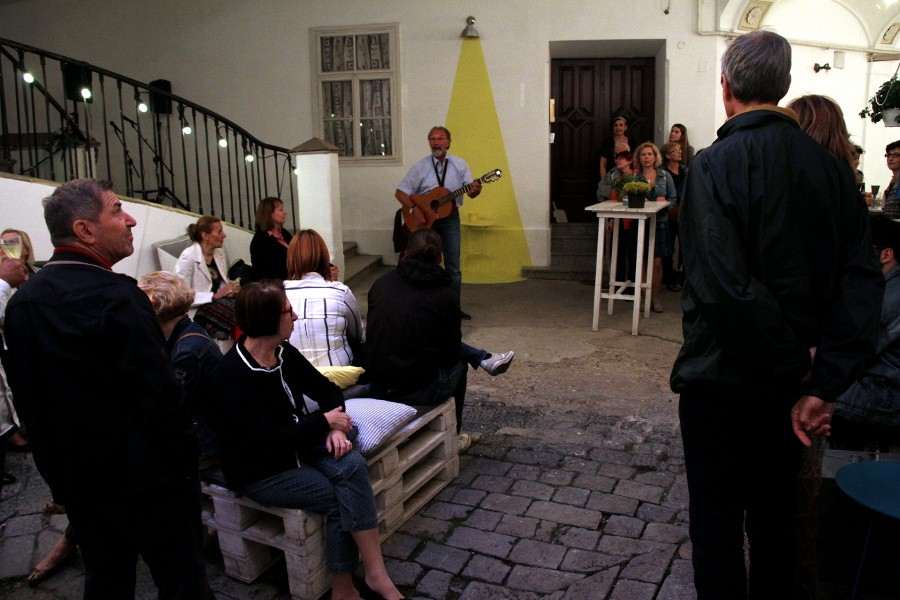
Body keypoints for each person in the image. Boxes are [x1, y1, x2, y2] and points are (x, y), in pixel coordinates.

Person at [670, 31, 883, 600]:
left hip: (722, 381)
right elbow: (861, 285)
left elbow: (721, 287)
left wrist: (804, 366)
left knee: (717, 525)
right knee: (776, 525)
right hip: (791, 389)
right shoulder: (833, 171)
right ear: (783, 85)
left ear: (726, 87)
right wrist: (821, 376)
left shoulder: (713, 166)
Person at [4, 179, 211, 599]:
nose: (131, 219)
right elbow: (161, 401)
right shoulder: (120, 298)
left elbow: (33, 409)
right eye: (117, 210)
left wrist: (63, 486)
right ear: (85, 230)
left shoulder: (25, 303)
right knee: (182, 583)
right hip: (150, 485)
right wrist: (185, 470)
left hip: (84, 486)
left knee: (107, 581)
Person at [205, 280, 402, 600]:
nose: (295, 316)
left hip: (297, 445)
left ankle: (373, 574)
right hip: (262, 470)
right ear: (268, 320)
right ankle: (344, 586)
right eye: (288, 311)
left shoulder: (282, 352)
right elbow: (266, 441)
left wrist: (336, 429)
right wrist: (324, 422)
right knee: (337, 495)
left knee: (351, 463)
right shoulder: (232, 375)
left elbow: (328, 391)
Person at [365, 229, 514, 448]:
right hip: (418, 388)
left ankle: (483, 358)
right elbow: (450, 352)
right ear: (440, 258)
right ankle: (455, 436)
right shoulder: (444, 295)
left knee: (424, 339)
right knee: (459, 364)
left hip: (379, 381)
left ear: (405, 253)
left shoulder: (381, 284)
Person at [395, 126, 481, 319]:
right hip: (426, 222)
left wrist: (476, 189)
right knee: (422, 263)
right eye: (432, 139)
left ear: (448, 143)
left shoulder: (460, 165)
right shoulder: (420, 167)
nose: (436, 143)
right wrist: (415, 208)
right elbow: (400, 193)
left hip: (450, 218)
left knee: (453, 267)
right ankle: (420, 306)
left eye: (440, 139)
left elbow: (471, 192)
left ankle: (453, 309)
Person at [832, 215, 900, 450]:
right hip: (880, 383)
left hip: (888, 395)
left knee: (816, 396)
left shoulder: (889, 297)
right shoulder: (883, 286)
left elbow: (853, 350)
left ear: (885, 254)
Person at [284, 229, 364, 367]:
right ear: (324, 258)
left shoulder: (279, 294)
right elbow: (357, 334)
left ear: (291, 258)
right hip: (339, 374)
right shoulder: (340, 291)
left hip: (294, 375)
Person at [176, 215, 239, 347]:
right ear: (205, 235)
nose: (224, 235)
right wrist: (214, 296)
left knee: (248, 301)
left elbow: (221, 283)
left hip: (217, 304)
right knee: (238, 312)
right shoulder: (188, 256)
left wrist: (231, 289)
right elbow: (181, 296)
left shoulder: (219, 254)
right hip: (198, 309)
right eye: (219, 232)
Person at [634, 141, 677, 312]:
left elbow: (673, 199)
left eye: (649, 154)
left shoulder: (665, 176)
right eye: (643, 155)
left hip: (660, 224)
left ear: (655, 157)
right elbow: (627, 199)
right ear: (639, 158)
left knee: (657, 263)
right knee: (642, 261)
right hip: (641, 223)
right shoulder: (635, 177)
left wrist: (664, 203)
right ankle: (643, 298)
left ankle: (655, 297)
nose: (646, 158)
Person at [661, 142, 686, 291]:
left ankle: (683, 278)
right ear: (668, 155)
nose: (680, 152)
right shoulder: (663, 173)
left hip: (684, 212)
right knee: (668, 247)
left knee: (685, 246)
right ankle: (669, 278)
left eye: (680, 150)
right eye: (676, 151)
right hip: (669, 212)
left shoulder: (685, 170)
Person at [250, 196, 293, 281]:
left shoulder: (285, 233)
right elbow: (264, 272)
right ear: (270, 214)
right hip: (274, 285)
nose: (284, 213)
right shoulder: (260, 240)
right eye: (280, 210)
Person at [599, 114, 633, 178]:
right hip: (611, 176)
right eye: (615, 125)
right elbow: (602, 163)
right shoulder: (607, 142)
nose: (618, 128)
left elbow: (636, 160)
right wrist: (604, 179)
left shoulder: (632, 141)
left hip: (629, 176)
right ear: (613, 128)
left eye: (621, 125)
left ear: (625, 127)